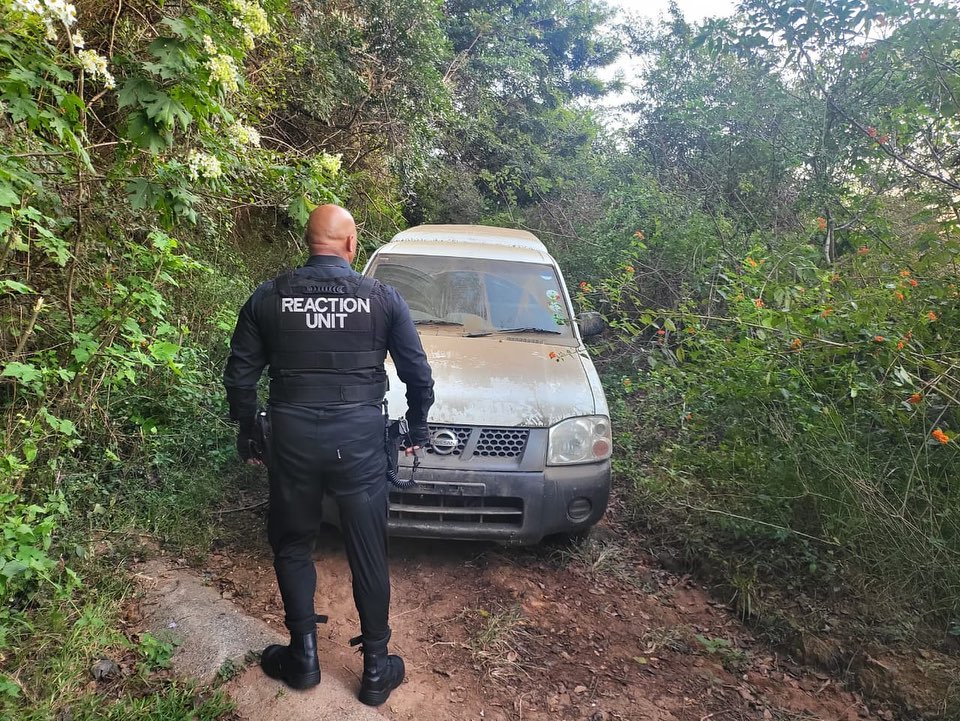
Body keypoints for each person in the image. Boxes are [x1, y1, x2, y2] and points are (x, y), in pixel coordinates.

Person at [223, 204, 434, 706]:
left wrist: (250, 432)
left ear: (308, 242)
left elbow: (240, 378)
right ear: (351, 245)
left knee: (293, 543)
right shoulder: (383, 298)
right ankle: (377, 672)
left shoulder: (268, 297)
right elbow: (418, 375)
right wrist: (417, 426)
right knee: (367, 549)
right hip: (359, 439)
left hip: (292, 437)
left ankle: (303, 658)